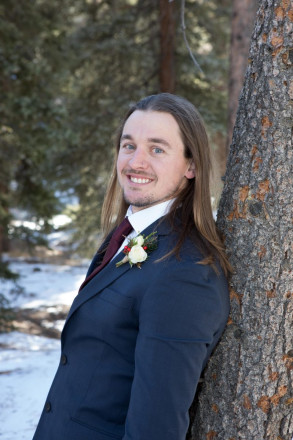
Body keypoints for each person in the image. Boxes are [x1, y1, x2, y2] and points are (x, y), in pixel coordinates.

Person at [33, 93, 231, 440]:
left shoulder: (185, 272)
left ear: (192, 165)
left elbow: (156, 427)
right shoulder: (129, 234)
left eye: (157, 149)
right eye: (129, 146)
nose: (135, 162)